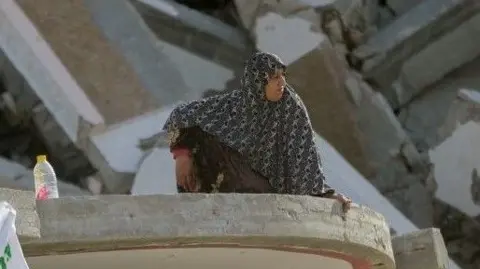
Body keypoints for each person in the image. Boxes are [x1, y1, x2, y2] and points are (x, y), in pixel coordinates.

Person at [163, 52, 352, 212]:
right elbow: (182, 115)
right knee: (202, 137)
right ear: (257, 81)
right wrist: (182, 156)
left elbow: (304, 156)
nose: (282, 83)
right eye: (274, 78)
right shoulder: (234, 105)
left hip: (264, 192)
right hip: (220, 184)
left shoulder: (290, 108)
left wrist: (324, 195)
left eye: (283, 76)